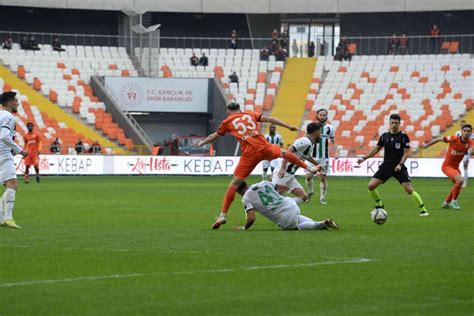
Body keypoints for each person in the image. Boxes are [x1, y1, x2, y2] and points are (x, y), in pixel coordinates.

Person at [196, 102, 320, 229]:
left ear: (228, 112)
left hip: (249, 154)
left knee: (234, 184)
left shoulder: (227, 122)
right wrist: (288, 126)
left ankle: (222, 215)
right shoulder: (249, 114)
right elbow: (270, 119)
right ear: (240, 109)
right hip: (264, 147)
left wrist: (202, 142)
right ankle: (309, 168)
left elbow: (214, 136)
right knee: (284, 153)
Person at [357, 114, 429, 216]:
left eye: (396, 123)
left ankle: (423, 210)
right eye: (392, 123)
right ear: (389, 123)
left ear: (400, 124)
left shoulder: (403, 137)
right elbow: (376, 149)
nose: (394, 125)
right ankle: (379, 204)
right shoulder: (384, 136)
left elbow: (406, 153)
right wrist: (364, 158)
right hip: (386, 166)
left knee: (409, 189)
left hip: (399, 167)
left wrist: (400, 164)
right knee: (371, 186)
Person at [234, 181, 339, 231]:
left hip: (284, 218)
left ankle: (321, 224)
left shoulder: (246, 198)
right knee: (296, 218)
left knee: (295, 227)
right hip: (290, 204)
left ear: (238, 191)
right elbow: (284, 187)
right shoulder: (263, 183)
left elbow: (251, 218)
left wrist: (244, 228)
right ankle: (322, 224)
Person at [421, 124, 472, 209]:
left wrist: (471, 150)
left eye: (468, 131)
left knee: (458, 184)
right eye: (465, 131)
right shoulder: (454, 139)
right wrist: (426, 146)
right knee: (460, 181)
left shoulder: (470, 142)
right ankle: (454, 202)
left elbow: (472, 149)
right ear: (461, 131)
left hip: (456, 168)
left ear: (471, 132)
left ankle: (446, 203)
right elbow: (439, 139)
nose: (466, 133)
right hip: (447, 166)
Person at [274, 122, 323, 204]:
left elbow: (306, 156)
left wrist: (317, 164)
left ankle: (285, 205)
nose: (320, 134)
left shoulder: (310, 144)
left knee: (303, 197)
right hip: (282, 173)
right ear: (316, 132)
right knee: (273, 198)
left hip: (290, 175)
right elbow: (288, 151)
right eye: (320, 132)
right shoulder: (305, 141)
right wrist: (282, 168)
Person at [0, 92, 29, 229]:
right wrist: (20, 151)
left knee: (7, 186)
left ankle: (1, 218)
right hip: (4, 154)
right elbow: (5, 136)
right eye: (16, 101)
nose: (17, 103)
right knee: (12, 185)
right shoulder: (9, 117)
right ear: (10, 102)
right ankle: (8, 218)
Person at [305, 109, 339, 204]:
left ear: (327, 116)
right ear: (317, 116)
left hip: (324, 157)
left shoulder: (330, 128)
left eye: (324, 115)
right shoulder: (312, 126)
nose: (323, 116)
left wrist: (336, 152)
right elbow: (306, 139)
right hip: (312, 157)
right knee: (308, 176)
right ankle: (310, 191)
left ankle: (322, 198)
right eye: (321, 115)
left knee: (323, 178)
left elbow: (333, 142)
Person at [454, 120, 474, 187]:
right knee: (455, 166)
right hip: (457, 151)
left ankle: (465, 182)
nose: (463, 125)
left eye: (464, 124)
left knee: (465, 165)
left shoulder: (470, 133)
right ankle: (457, 179)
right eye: (462, 124)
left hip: (466, 151)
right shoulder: (457, 133)